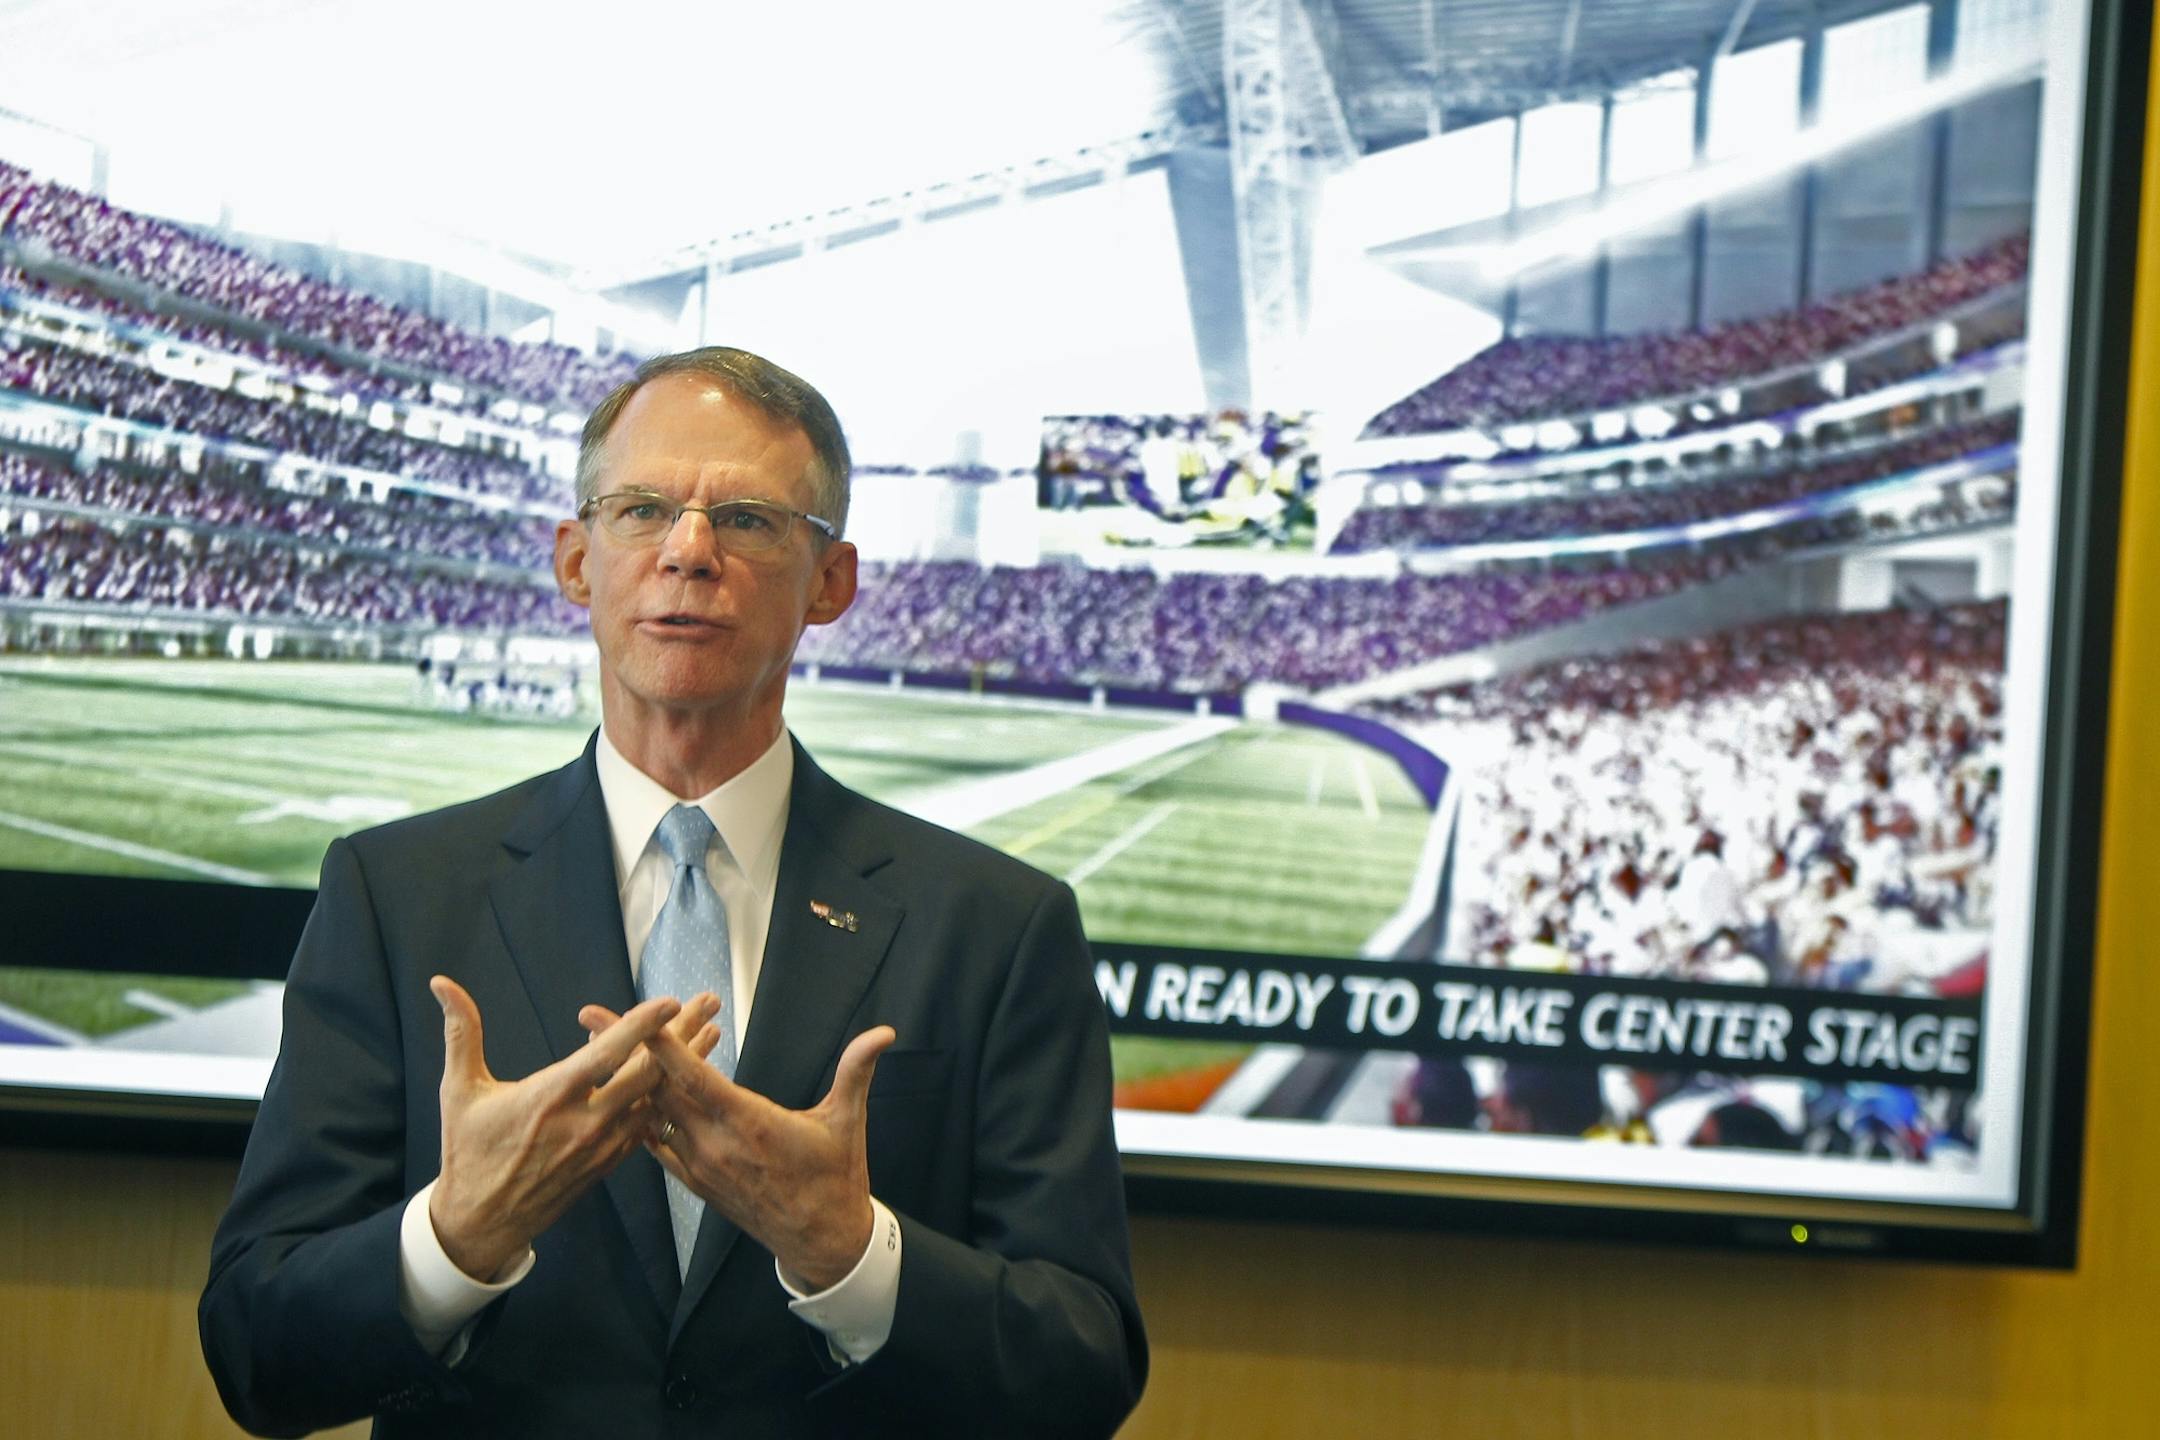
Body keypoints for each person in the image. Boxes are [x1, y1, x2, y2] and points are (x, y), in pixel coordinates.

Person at [199, 347, 1148, 1438]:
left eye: (746, 518)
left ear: (832, 582)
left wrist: (852, 1256)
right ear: (575, 560)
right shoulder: (394, 895)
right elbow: (254, 1352)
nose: (689, 552)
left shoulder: (999, 927)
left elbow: (1082, 1368)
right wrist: (453, 1237)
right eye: (643, 509)